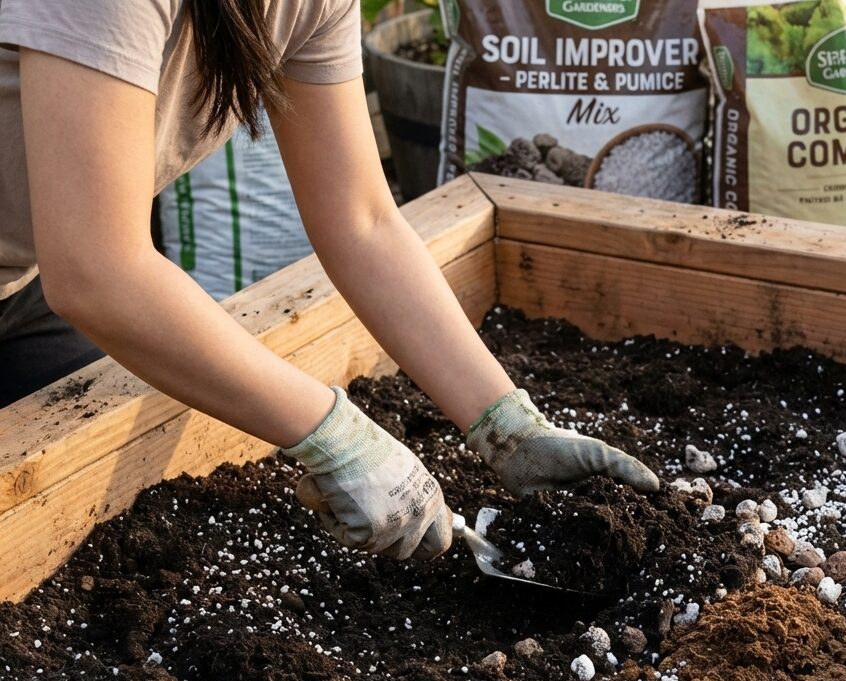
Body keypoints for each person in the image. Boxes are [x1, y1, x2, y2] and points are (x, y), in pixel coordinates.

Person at [0, 0, 658, 560]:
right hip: (60, 269)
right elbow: (97, 270)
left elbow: (362, 220)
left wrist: (505, 424)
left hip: (26, 286)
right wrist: (332, 434)